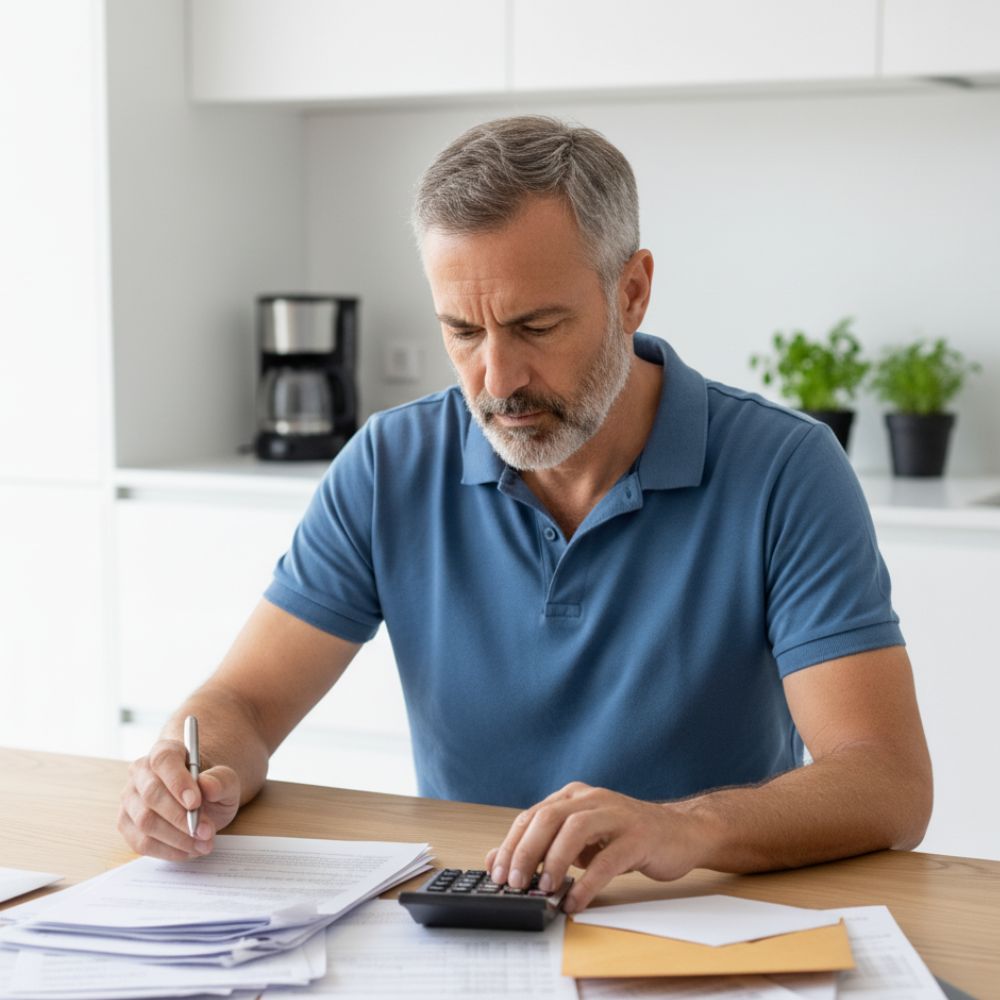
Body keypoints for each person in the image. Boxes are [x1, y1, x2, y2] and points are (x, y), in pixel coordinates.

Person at [119, 116, 932, 915]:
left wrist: (679, 827)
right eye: (462, 331)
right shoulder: (387, 464)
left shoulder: (785, 469)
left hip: (692, 924)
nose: (497, 378)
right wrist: (186, 768)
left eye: (536, 326)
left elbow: (885, 779)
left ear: (633, 292)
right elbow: (247, 703)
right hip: (469, 927)